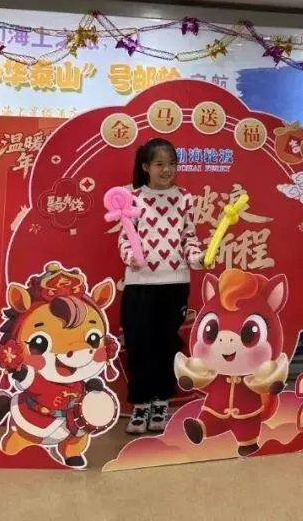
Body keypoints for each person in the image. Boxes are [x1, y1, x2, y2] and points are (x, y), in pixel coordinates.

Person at [119, 138, 203, 435]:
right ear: (145, 167)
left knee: (167, 346)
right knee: (139, 345)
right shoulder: (131, 198)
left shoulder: (184, 198)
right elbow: (125, 238)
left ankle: (161, 404)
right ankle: (141, 405)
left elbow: (189, 237)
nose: (167, 170)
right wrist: (131, 256)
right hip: (140, 285)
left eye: (172, 164)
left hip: (174, 283)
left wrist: (197, 257)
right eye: (159, 164)